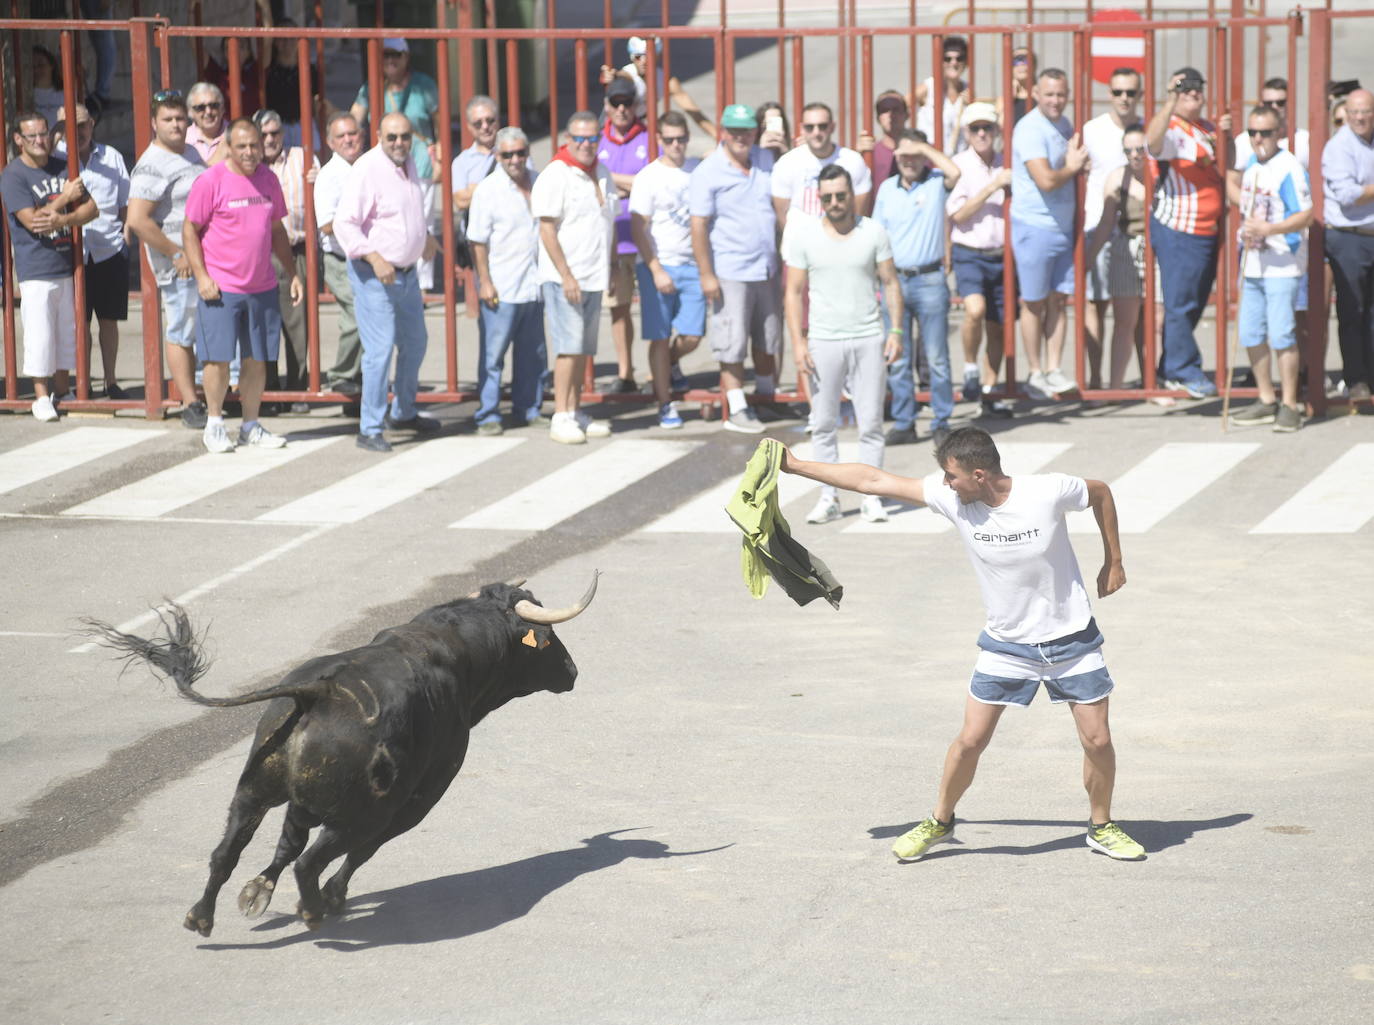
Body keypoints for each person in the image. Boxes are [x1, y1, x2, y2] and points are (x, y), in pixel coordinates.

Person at [780, 426, 1144, 863]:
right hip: (1006, 645)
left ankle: (1101, 825)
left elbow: (1100, 492)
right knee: (970, 741)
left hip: (1072, 640)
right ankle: (941, 820)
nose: (946, 485)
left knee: (1098, 741)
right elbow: (872, 480)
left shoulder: (1047, 491)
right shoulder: (954, 499)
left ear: (979, 474)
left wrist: (1114, 561)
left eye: (952, 476)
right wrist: (796, 466)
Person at [785, 164, 903, 525]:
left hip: (868, 337)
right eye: (827, 197)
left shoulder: (873, 232)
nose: (835, 202)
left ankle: (872, 496)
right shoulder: (804, 235)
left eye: (841, 195)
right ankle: (828, 496)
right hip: (823, 339)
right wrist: (798, 343)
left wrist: (895, 331)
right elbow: (792, 292)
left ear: (852, 194)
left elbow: (891, 283)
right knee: (822, 423)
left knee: (870, 422)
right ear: (819, 197)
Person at [182, 117, 302, 453]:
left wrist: (293, 274)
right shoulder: (211, 180)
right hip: (221, 288)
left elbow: (277, 230)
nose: (250, 152)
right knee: (217, 360)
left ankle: (250, 425)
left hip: (261, 286)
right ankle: (215, 423)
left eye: (255, 145)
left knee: (257, 359)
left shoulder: (268, 179)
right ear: (229, 148)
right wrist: (202, 276)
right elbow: (189, 229)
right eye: (242, 146)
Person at [332, 112, 442, 452]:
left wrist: (425, 238)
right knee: (379, 352)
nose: (399, 143)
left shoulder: (408, 163)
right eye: (392, 137)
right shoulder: (368, 169)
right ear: (378, 135)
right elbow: (344, 223)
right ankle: (370, 427)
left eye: (405, 137)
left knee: (416, 343)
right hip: (375, 275)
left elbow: (404, 214)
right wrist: (374, 256)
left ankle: (404, 411)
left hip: (406, 274)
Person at [690, 103, 784, 434]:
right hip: (730, 268)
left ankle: (763, 396)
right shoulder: (709, 171)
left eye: (747, 130)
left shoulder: (764, 158)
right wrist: (706, 274)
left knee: (767, 337)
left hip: (766, 267)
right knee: (732, 340)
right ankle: (736, 407)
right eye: (735, 131)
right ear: (723, 132)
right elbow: (698, 225)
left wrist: (782, 148)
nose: (742, 137)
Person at [0, 111, 99, 421]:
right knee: (40, 333)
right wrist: (63, 199)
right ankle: (40, 396)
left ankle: (63, 389)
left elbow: (92, 209)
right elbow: (33, 222)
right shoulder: (14, 175)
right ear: (18, 140)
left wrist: (65, 219)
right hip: (35, 268)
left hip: (66, 262)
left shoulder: (61, 165)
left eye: (44, 134)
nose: (41, 141)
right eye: (33, 136)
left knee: (66, 333)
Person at [531, 110, 617, 445]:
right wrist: (566, 275)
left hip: (594, 275)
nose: (586, 144)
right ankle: (561, 414)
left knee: (583, 349)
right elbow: (547, 229)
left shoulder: (603, 172)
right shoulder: (557, 174)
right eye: (579, 138)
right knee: (568, 348)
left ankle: (576, 409)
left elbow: (605, 225)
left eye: (592, 138)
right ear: (568, 139)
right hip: (565, 277)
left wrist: (609, 269)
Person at [872, 129, 962, 448]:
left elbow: (955, 172)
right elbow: (877, 233)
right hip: (895, 280)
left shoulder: (936, 183)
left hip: (930, 278)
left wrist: (923, 146)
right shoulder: (887, 189)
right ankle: (904, 420)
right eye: (903, 156)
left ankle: (941, 420)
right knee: (898, 355)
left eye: (914, 156)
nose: (909, 162)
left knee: (936, 356)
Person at [1145, 67, 1231, 399]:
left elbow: (1228, 166)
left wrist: (1227, 134)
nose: (1193, 92)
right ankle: (1184, 369)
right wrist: (1170, 98)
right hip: (1178, 227)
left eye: (1198, 86)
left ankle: (1171, 367)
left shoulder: (1207, 127)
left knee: (1194, 303)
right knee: (1180, 302)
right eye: (1185, 88)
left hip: (1208, 229)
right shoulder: (1171, 128)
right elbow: (1152, 144)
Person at [1228, 106, 1313, 432]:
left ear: (1279, 133)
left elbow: (1305, 215)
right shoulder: (1251, 166)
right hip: (1253, 263)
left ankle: (1290, 404)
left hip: (1282, 264)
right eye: (1252, 132)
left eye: (1265, 132)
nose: (1258, 139)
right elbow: (1239, 195)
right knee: (1250, 332)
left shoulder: (1288, 167)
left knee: (1281, 334)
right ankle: (1266, 398)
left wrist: (1269, 229)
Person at [127, 90, 209, 427]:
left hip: (199, 256)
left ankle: (205, 393)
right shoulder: (151, 164)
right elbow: (137, 220)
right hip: (180, 263)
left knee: (200, 326)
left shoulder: (189, 151)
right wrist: (175, 253)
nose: (176, 124)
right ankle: (189, 402)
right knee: (182, 327)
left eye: (180, 118)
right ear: (154, 123)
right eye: (168, 119)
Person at [1011, 68, 1088, 399]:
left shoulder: (1064, 124)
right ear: (1036, 95)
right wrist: (1072, 167)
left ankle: (1054, 369)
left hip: (1062, 225)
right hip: (1035, 225)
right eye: (1050, 94)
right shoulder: (1029, 129)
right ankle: (1034, 372)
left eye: (1061, 94)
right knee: (1033, 301)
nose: (1056, 100)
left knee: (1059, 298)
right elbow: (1044, 178)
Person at [467, 126, 547, 435]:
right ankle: (488, 413)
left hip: (533, 283)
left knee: (533, 353)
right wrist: (484, 281)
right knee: (493, 355)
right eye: (507, 154)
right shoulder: (488, 190)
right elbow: (477, 241)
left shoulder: (539, 181)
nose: (515, 159)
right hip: (501, 284)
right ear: (497, 156)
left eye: (520, 153)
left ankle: (528, 408)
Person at [629, 111, 703, 429]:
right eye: (669, 139)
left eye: (681, 139)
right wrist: (656, 268)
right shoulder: (649, 176)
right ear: (659, 140)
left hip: (693, 264)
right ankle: (664, 403)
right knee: (659, 336)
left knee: (692, 335)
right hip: (659, 264)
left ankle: (670, 365)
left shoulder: (698, 169)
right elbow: (638, 226)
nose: (676, 145)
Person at [52, 102, 130, 400]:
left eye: (81, 124)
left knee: (108, 320)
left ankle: (110, 381)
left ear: (92, 124)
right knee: (77, 322)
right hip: (71, 253)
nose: (76, 131)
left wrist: (126, 238)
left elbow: (125, 202)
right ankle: (82, 381)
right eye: (67, 126)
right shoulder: (55, 159)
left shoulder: (112, 157)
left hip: (109, 249)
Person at [350, 38, 441, 290]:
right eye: (385, 54)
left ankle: (422, 284)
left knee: (422, 220)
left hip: (419, 164)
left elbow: (439, 120)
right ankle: (391, 266)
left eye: (396, 54)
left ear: (406, 57)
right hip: (383, 167)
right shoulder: (372, 88)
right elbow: (354, 118)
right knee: (389, 217)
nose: (390, 59)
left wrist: (442, 155)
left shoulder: (423, 85)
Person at [947, 102, 1014, 418]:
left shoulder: (1006, 163)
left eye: (987, 127)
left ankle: (989, 390)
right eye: (976, 128)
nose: (982, 133)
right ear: (967, 133)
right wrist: (992, 188)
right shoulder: (959, 165)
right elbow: (958, 214)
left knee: (998, 326)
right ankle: (971, 366)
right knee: (975, 309)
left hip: (1002, 254)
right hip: (970, 253)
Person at [1081, 68, 1142, 391]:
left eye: (1131, 92)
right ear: (1109, 93)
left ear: (1139, 95)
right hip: (1097, 225)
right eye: (1118, 92)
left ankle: (1148, 378)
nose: (1124, 98)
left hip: (1133, 233)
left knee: (1136, 314)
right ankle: (1094, 378)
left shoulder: (1142, 131)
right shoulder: (1093, 130)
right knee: (1095, 305)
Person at [255, 108, 319, 409]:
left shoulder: (302, 160)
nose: (270, 139)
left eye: (275, 133)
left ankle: (297, 388)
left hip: (295, 251)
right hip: (260, 254)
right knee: (264, 323)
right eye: (264, 134)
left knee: (298, 322)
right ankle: (269, 390)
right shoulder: (249, 165)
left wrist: (318, 179)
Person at [1320, 88, 1374, 404]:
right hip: (1348, 237)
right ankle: (1357, 380)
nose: (1359, 118)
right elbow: (1346, 195)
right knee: (1352, 311)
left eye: (1365, 111)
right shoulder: (1339, 146)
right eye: (1354, 112)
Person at [1085, 125, 1149, 393]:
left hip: (1157, 251)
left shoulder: (1161, 175)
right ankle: (1115, 386)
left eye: (1140, 149)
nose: (1135, 155)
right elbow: (1105, 223)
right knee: (1125, 320)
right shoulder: (1116, 179)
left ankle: (1152, 384)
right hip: (1126, 248)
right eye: (1129, 150)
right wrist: (1088, 259)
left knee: (1154, 322)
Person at [598, 77, 652, 394]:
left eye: (627, 103)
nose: (622, 109)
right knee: (618, 307)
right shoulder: (597, 140)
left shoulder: (648, 137)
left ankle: (661, 370)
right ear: (606, 106)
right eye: (616, 103)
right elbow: (593, 179)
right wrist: (630, 182)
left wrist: (610, 180)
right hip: (612, 239)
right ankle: (625, 372)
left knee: (655, 307)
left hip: (643, 235)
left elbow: (648, 183)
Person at [313, 111, 365, 397]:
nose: (348, 140)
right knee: (358, 315)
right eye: (341, 136)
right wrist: (364, 223)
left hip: (365, 257)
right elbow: (326, 224)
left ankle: (356, 387)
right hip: (340, 258)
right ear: (330, 143)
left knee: (361, 318)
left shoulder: (368, 167)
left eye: (352, 133)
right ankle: (342, 374)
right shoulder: (330, 176)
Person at [772, 102, 873, 224]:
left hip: (842, 239)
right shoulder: (787, 164)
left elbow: (859, 214)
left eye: (822, 126)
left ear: (832, 127)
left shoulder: (853, 161)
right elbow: (783, 217)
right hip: (802, 239)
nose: (816, 132)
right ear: (802, 129)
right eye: (810, 127)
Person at [601, 35, 715, 137]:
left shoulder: (666, 80)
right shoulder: (627, 75)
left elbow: (694, 113)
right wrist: (612, 75)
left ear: (658, 56)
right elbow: (619, 75)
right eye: (638, 56)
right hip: (614, 128)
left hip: (639, 127)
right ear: (632, 58)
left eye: (648, 55)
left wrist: (719, 137)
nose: (643, 61)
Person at [914, 35, 970, 155]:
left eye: (959, 58)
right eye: (947, 59)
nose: (954, 63)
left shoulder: (968, 90)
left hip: (959, 162)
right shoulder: (928, 88)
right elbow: (899, 108)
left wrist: (972, 105)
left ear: (966, 62)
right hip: (930, 161)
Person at [865, 91, 910, 185]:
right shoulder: (869, 153)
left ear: (907, 115)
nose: (891, 114)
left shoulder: (922, 151)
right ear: (877, 118)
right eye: (884, 110)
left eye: (896, 109)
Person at [185, 83, 228, 165]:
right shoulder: (183, 139)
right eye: (200, 107)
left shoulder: (235, 135)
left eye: (214, 106)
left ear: (222, 108)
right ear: (190, 112)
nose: (208, 112)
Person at [996, 46, 1037, 127]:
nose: (1021, 65)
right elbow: (999, 128)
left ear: (1034, 65)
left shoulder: (1041, 93)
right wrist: (1009, 100)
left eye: (1025, 60)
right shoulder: (1003, 98)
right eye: (1016, 61)